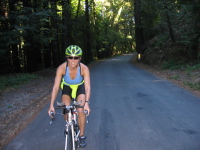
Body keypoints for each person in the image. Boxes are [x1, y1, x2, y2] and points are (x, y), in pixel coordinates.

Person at [48, 45, 91, 148]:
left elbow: (88, 87)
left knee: (80, 112)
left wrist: (86, 104)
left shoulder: (84, 68)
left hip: (80, 88)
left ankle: (81, 135)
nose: (72, 60)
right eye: (70, 57)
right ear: (67, 58)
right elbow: (55, 87)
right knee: (66, 112)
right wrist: (51, 105)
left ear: (79, 58)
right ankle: (70, 125)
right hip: (67, 88)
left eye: (76, 57)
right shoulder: (62, 68)